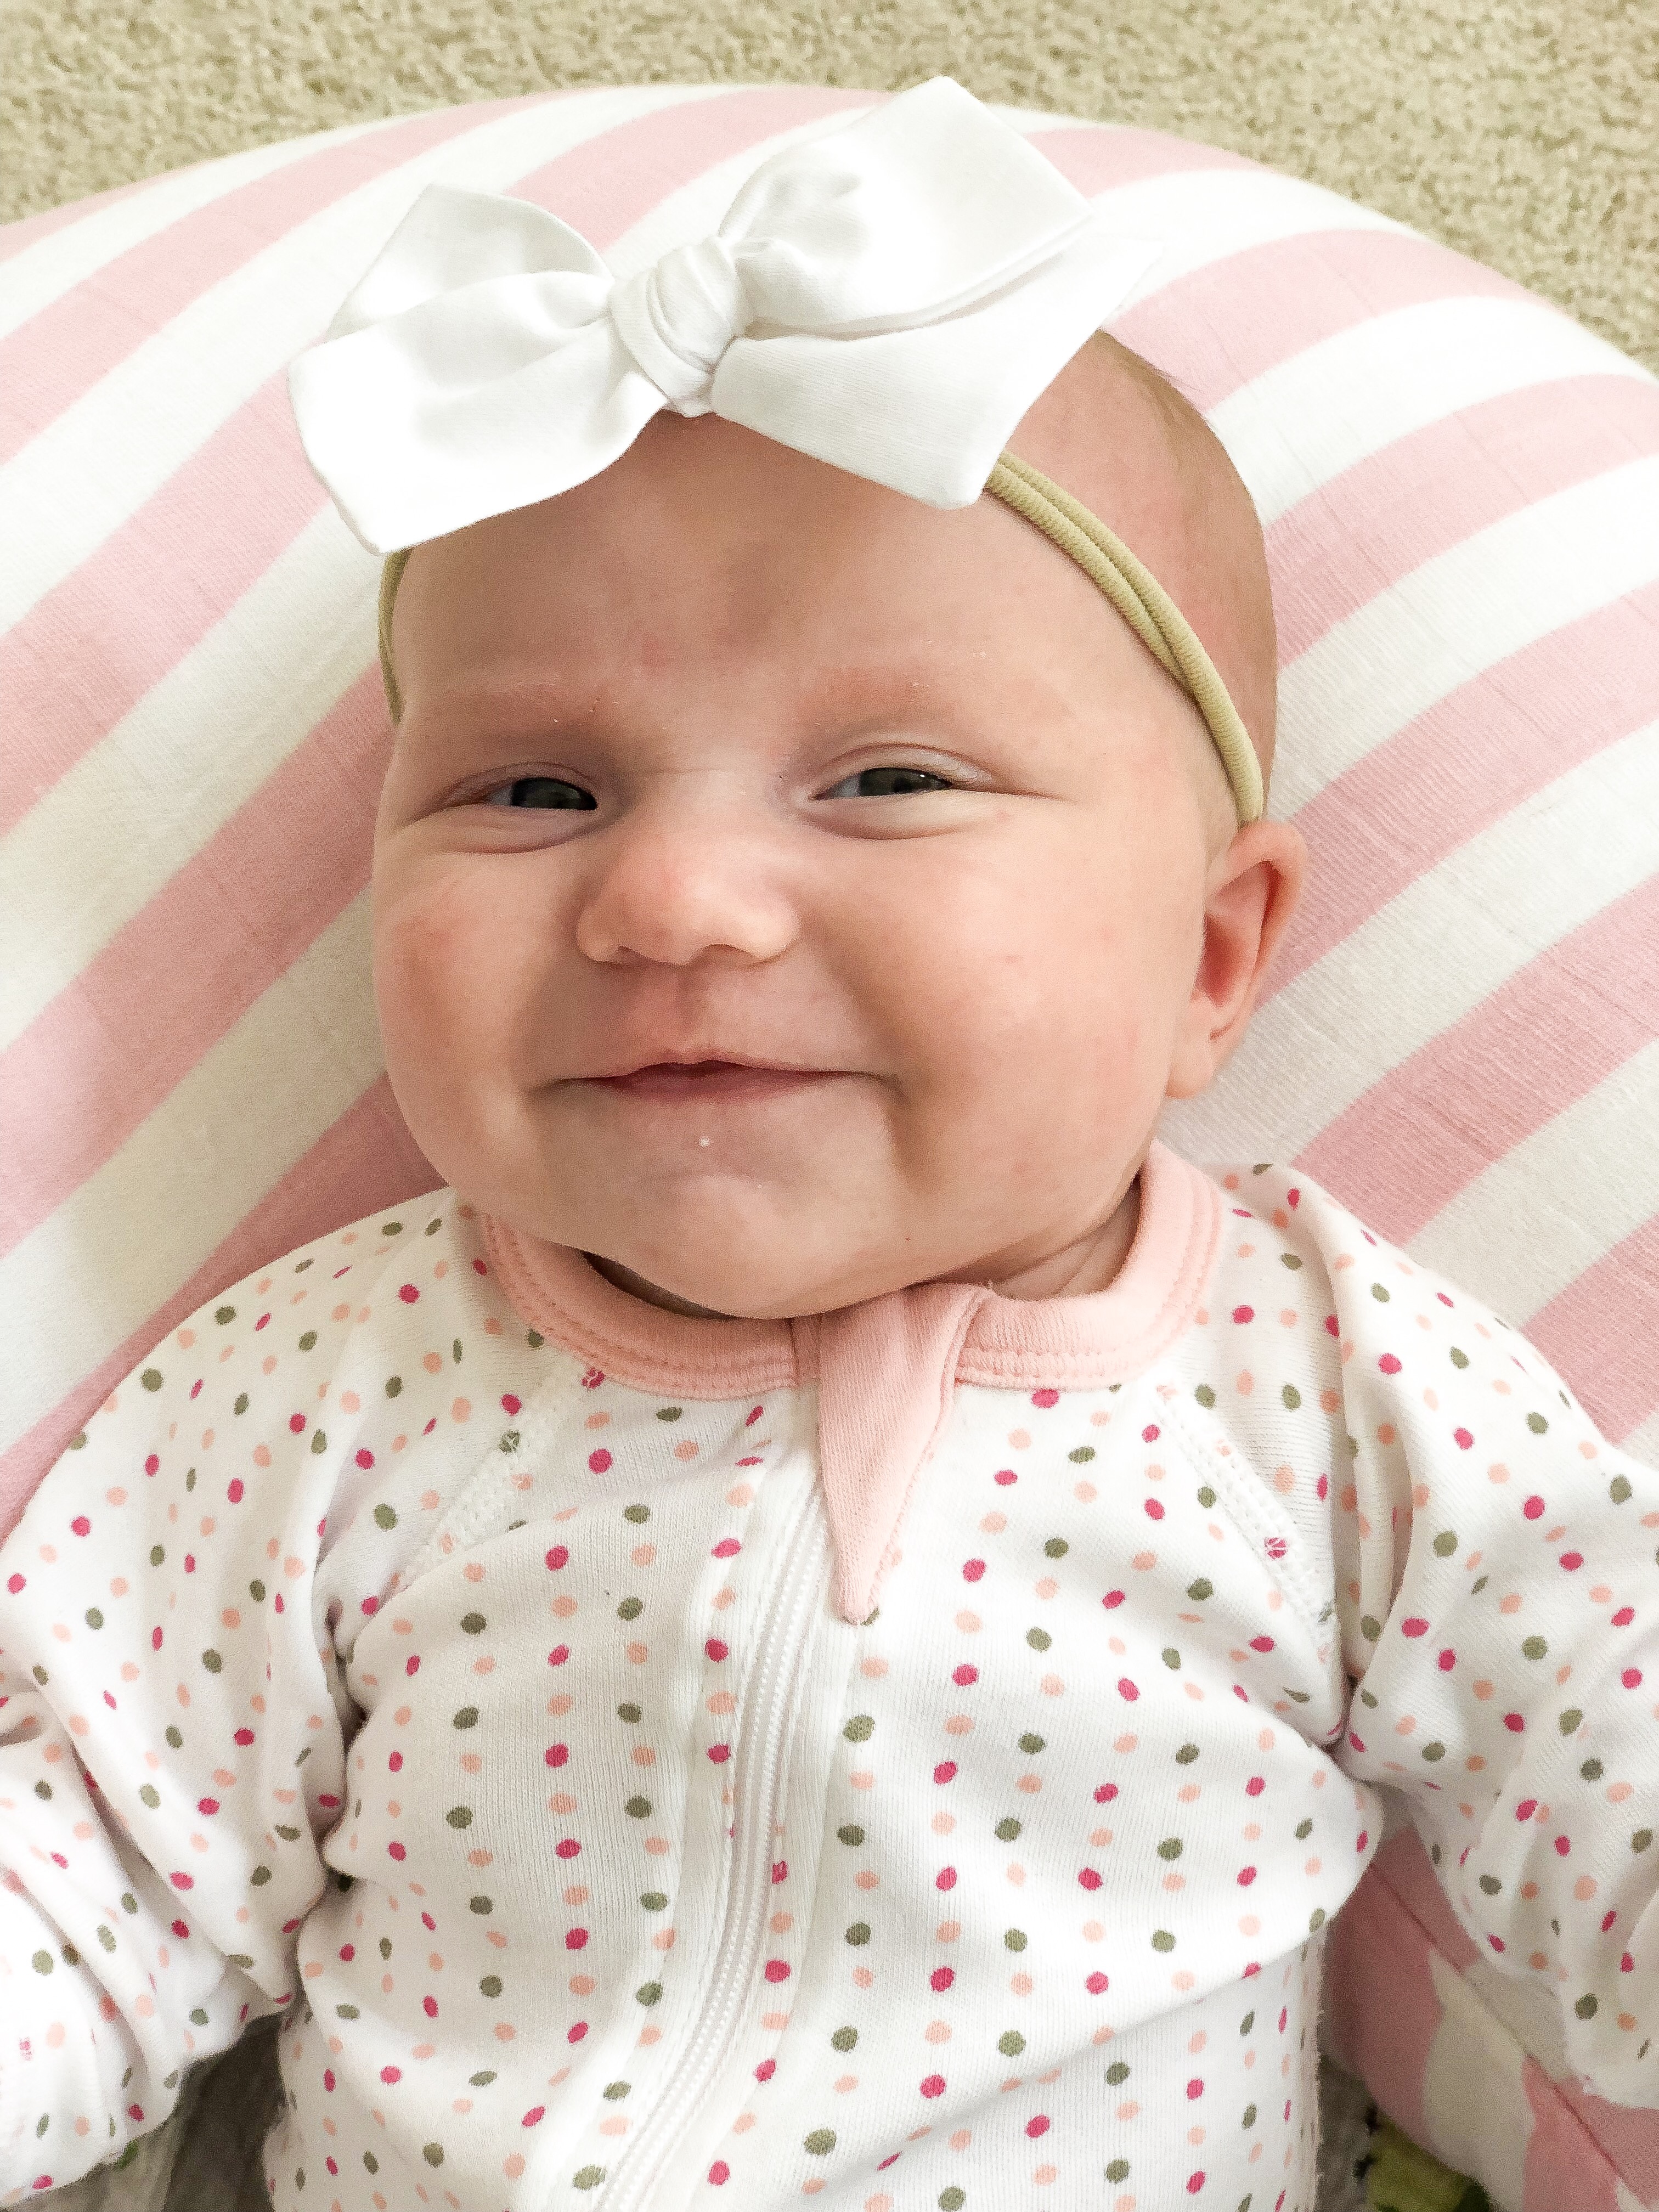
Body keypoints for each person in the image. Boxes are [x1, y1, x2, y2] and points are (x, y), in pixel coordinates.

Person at [3, 78, 1654, 2212]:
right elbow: (90, 1875)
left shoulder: (1324, 1383)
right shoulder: (328, 1385)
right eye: (535, 794)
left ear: (1211, 958)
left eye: (885, 783)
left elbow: (1605, 1767)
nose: (675, 900)